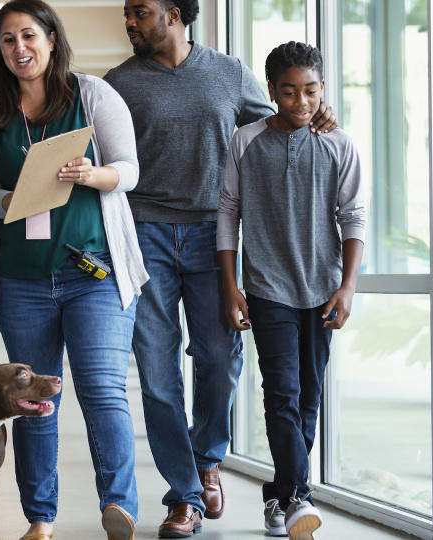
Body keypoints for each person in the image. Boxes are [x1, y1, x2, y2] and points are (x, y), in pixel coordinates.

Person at [103, 2, 337, 536]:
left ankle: (208, 455)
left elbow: (278, 123)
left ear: (176, 13)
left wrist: (320, 116)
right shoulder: (119, 82)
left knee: (217, 358)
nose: (131, 22)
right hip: (146, 236)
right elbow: (108, 159)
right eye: (127, 13)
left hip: (216, 237)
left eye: (141, 11)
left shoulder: (228, 72)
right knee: (158, 373)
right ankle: (183, 494)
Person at [0, 2, 149, 539]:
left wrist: (93, 174)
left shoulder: (92, 95)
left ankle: (118, 506)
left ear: (51, 39)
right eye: (7, 40)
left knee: (102, 390)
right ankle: (40, 518)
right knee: (29, 401)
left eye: (28, 35)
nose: (19, 48)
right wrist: (14, 200)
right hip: (22, 280)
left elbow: (130, 171)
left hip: (93, 273)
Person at [217, 41, 366, 539]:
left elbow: (353, 216)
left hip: (323, 288)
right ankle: (300, 496)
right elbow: (228, 213)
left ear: (322, 89)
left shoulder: (339, 143)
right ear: (272, 91)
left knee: (309, 396)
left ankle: (279, 493)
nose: (301, 102)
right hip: (267, 288)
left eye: (311, 91)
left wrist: (347, 287)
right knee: (281, 391)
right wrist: (231, 284)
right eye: (288, 91)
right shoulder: (246, 140)